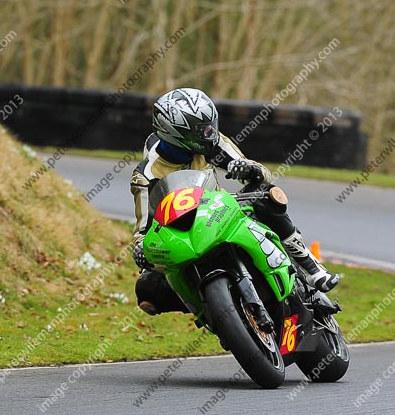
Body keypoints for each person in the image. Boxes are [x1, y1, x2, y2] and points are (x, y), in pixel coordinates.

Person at [130, 87, 339, 315]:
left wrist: (249, 170)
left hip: (220, 211)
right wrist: (141, 249)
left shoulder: (209, 143)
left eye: (210, 125)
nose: (209, 133)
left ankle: (307, 263)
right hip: (184, 234)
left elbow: (262, 173)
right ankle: (213, 310)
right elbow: (143, 232)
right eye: (200, 130)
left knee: (265, 192)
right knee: (148, 291)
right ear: (175, 133)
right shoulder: (146, 176)